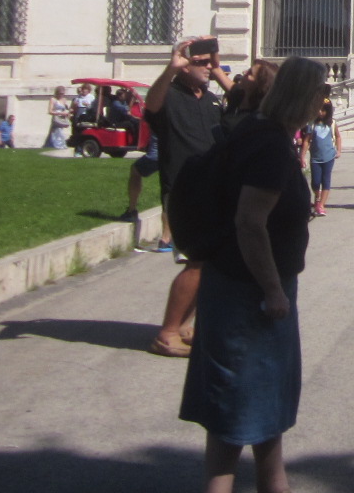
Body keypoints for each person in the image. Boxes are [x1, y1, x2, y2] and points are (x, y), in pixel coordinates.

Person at [180, 55, 325, 493]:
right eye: (319, 94)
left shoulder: (257, 131)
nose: (322, 103)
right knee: (237, 415)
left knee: (260, 412)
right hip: (250, 298)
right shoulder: (269, 146)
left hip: (238, 289)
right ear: (302, 97)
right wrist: (272, 289)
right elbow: (249, 222)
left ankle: (274, 483)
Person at [146, 37, 231, 358]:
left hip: (210, 189)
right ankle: (167, 333)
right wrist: (171, 69)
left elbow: (242, 106)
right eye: (202, 63)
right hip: (185, 191)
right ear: (185, 66)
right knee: (196, 263)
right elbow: (151, 105)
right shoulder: (169, 95)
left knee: (205, 264)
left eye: (211, 62)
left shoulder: (209, 99)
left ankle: (182, 326)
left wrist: (218, 69)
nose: (209, 67)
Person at [302, 98, 340, 216]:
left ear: (328, 111)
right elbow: (307, 141)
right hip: (315, 158)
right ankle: (317, 197)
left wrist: (339, 150)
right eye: (318, 109)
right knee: (315, 182)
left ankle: (321, 205)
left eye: (323, 110)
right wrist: (302, 156)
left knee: (326, 180)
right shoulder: (312, 124)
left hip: (329, 157)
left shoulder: (332, 123)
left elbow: (338, 137)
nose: (320, 112)